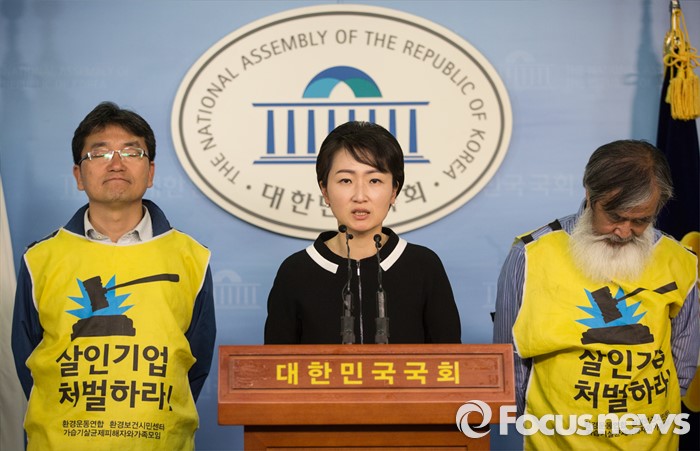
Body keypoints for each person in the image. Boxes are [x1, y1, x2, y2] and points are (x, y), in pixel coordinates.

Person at [11, 102, 216, 451]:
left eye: (132, 151)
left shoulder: (191, 257)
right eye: (100, 153)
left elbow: (193, 365)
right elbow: (28, 362)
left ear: (150, 172)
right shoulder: (40, 258)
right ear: (79, 175)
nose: (116, 163)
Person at [493, 139, 699, 450]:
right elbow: (509, 359)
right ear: (590, 196)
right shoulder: (530, 255)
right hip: (557, 441)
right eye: (615, 216)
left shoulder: (679, 260)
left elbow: (682, 360)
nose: (625, 232)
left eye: (641, 220)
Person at [264, 121, 461, 344]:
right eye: (346, 180)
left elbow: (451, 359)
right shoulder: (295, 272)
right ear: (325, 190)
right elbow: (275, 362)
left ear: (394, 191)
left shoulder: (424, 266)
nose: (360, 196)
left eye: (374, 180)